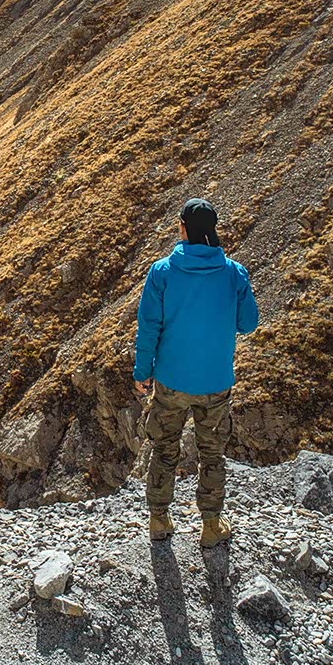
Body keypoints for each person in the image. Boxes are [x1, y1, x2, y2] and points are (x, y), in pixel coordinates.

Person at [131, 197, 259, 547]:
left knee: (164, 448)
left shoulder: (162, 272)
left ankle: (159, 519)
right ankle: (211, 525)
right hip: (215, 382)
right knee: (212, 452)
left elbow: (148, 328)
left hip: (171, 380)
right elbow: (248, 323)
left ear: (182, 227)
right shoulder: (233, 272)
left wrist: (143, 371)